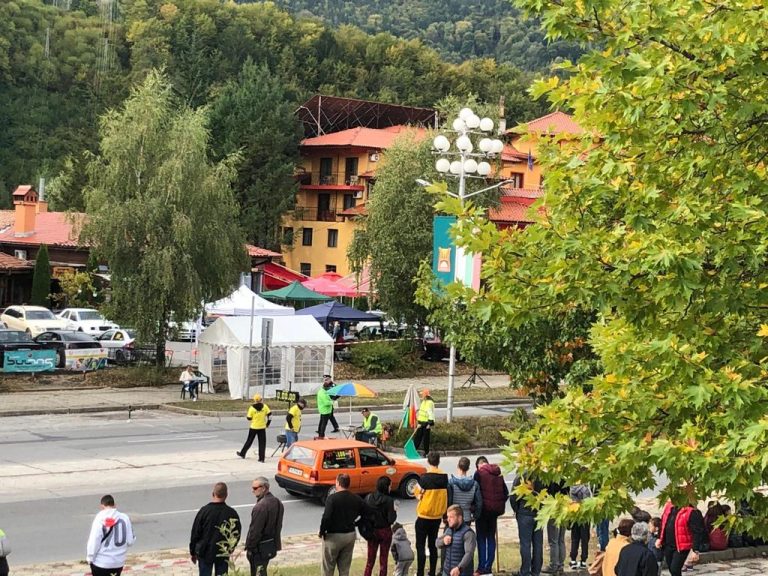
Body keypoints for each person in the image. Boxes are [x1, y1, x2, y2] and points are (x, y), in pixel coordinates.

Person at [319, 473, 367, 576]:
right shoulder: (356, 498)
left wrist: (322, 531)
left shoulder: (332, 499)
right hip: (349, 535)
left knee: (328, 567)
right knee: (345, 568)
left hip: (333, 536)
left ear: (338, 483)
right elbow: (366, 513)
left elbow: (326, 517)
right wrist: (356, 523)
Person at [189, 482, 241, 576]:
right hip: (222, 552)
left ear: (213, 494)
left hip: (205, 552)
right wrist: (231, 548)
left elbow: (195, 533)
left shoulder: (204, 511)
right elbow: (236, 533)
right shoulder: (231, 513)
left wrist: (193, 552)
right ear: (226, 495)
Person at [414, 451, 449, 576]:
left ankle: (420, 572)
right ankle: (432, 572)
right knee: (433, 545)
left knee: (420, 546)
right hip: (436, 517)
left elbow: (417, 494)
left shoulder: (424, 478)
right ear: (438, 462)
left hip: (423, 516)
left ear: (428, 462)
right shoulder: (444, 477)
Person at [473, 456, 508, 576]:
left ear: (479, 465)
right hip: (494, 512)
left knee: (481, 539)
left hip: (482, 512)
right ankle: (489, 567)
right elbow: (506, 493)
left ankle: (481, 567)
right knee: (491, 538)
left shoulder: (478, 474)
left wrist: (475, 508)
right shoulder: (497, 473)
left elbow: (475, 493)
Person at [86, 494, 136, 576]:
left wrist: (90, 558)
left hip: (102, 562)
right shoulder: (125, 518)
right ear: (115, 505)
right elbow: (130, 541)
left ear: (102, 507)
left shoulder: (99, 518)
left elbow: (94, 541)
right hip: (118, 562)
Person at [245, 477, 284, 576]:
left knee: (258, 572)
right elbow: (278, 526)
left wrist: (249, 547)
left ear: (264, 488)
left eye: (255, 488)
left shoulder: (260, 507)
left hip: (258, 549)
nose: (252, 491)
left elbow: (255, 531)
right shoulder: (278, 503)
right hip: (270, 545)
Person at [657, 500, 705, 576]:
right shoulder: (669, 507)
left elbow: (697, 532)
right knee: (671, 569)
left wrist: (695, 550)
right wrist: (659, 538)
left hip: (682, 547)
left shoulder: (690, 512)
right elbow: (663, 522)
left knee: (675, 569)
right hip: (667, 544)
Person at [510, 473, 545, 576]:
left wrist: (517, 510)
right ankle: (536, 570)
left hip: (524, 513)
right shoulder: (541, 476)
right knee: (538, 544)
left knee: (525, 544)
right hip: (539, 513)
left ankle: (525, 571)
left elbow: (513, 496)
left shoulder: (521, 476)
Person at [364, 476, 397, 576]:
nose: (391, 488)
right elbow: (391, 519)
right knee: (383, 560)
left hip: (372, 531)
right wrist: (394, 511)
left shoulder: (369, 497)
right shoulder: (389, 501)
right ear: (386, 487)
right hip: (385, 531)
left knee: (370, 560)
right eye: (390, 486)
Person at [436, 504, 477, 576]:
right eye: (448, 517)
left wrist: (459, 568)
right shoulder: (449, 530)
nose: (448, 519)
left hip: (462, 573)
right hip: (447, 571)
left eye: (451, 517)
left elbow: (469, 553)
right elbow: (437, 543)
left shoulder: (468, 533)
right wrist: (443, 541)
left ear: (459, 518)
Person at [542, 479, 568, 576]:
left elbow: (546, 493)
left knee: (554, 540)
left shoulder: (551, 479)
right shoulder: (565, 478)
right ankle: (560, 565)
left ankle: (554, 565)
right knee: (561, 539)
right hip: (564, 510)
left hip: (554, 510)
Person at [448, 457, 482, 526]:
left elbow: (449, 501)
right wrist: (475, 516)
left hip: (453, 516)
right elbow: (479, 503)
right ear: (468, 468)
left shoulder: (451, 482)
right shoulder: (474, 484)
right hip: (467, 516)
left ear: (458, 466)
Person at [237, 394, 272, 462]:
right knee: (262, 443)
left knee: (249, 441)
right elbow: (270, 415)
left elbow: (249, 418)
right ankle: (261, 458)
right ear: (261, 400)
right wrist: (268, 424)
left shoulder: (252, 408)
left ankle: (243, 453)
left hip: (253, 427)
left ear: (254, 400)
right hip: (262, 427)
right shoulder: (265, 407)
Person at [568, 484, 592, 569]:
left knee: (574, 538)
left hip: (575, 515)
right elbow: (588, 503)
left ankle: (573, 560)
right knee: (585, 539)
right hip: (585, 517)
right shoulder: (586, 489)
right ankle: (583, 560)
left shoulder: (572, 488)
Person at [413, 389, 435, 455]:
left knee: (426, 439)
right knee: (417, 437)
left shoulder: (430, 403)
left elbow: (431, 414)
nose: (421, 396)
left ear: (425, 395)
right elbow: (421, 413)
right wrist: (419, 422)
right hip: (421, 423)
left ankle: (426, 452)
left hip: (426, 424)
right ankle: (414, 450)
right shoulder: (423, 402)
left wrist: (429, 424)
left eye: (422, 395)